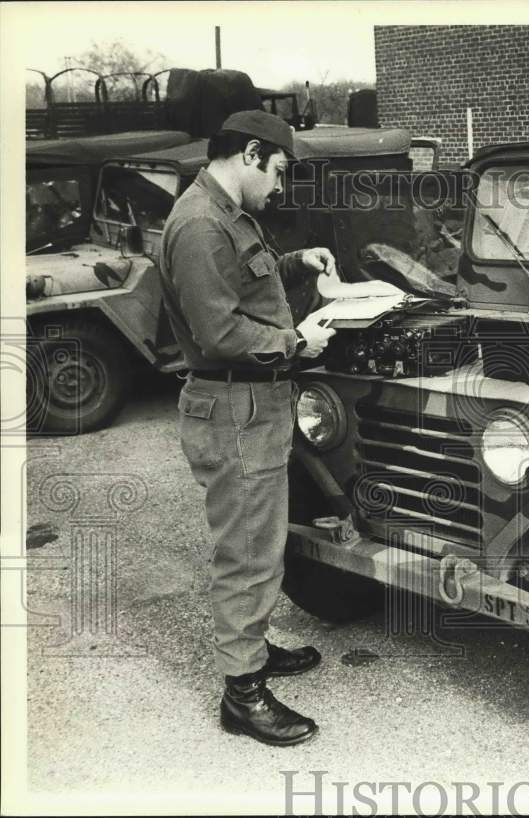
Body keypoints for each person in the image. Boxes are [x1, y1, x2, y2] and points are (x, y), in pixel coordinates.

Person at [159, 110, 338, 746]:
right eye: (280, 171)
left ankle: (253, 653)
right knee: (246, 555)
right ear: (254, 154)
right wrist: (298, 340)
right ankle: (243, 694)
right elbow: (220, 331)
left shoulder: (225, 215)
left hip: (251, 409)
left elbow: (241, 287)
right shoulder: (201, 225)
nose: (281, 187)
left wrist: (293, 263)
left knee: (261, 541)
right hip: (235, 410)